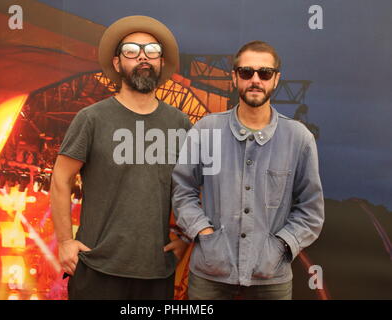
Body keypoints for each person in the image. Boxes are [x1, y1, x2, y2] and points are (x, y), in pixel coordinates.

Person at [50, 15, 192, 300]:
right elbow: (61, 179)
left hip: (156, 272)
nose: (143, 57)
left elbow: (190, 189)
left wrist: (185, 239)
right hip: (95, 266)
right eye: (131, 50)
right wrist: (65, 241)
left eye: (152, 51)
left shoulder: (179, 123)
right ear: (117, 63)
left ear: (161, 63)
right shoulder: (91, 118)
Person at [172, 40, 324, 300]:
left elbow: (311, 210)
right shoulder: (206, 131)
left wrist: (281, 245)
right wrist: (204, 233)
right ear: (234, 77)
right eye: (246, 72)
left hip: (271, 277)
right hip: (210, 274)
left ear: (276, 79)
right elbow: (182, 190)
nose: (255, 80)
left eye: (264, 73)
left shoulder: (298, 138)